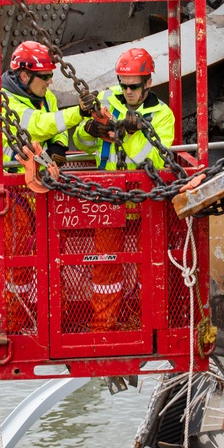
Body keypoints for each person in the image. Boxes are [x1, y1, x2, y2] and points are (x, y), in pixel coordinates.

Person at [72, 47, 176, 332]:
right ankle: (103, 325)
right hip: (110, 200)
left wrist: (130, 136)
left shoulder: (162, 116)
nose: (128, 91)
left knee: (149, 267)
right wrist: (87, 131)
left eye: (134, 86)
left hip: (144, 202)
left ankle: (146, 322)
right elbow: (84, 144)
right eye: (123, 85)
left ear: (148, 83)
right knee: (105, 267)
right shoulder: (107, 101)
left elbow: (155, 163)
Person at [0, 40, 96, 334]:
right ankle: (17, 321)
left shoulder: (46, 98)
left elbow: (57, 132)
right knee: (19, 262)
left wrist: (58, 152)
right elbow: (40, 125)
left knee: (52, 255)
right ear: (25, 76)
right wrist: (78, 113)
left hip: (41, 189)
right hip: (16, 192)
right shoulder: (7, 102)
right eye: (45, 76)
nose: (50, 80)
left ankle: (53, 313)